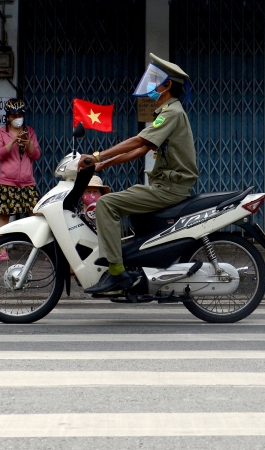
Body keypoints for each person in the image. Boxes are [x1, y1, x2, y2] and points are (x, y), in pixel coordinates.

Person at [79, 54, 197, 295]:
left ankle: (116, 272)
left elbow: (139, 140)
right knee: (128, 199)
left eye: (156, 81)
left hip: (169, 188)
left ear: (167, 86)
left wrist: (98, 156)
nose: (151, 86)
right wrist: (103, 165)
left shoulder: (171, 113)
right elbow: (143, 148)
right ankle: (134, 263)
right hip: (163, 186)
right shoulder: (167, 112)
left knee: (107, 204)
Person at [0, 98, 42, 250]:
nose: (16, 118)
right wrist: (13, 141)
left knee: (35, 214)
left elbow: (36, 155)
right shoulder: (1, 133)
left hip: (27, 181)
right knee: (4, 215)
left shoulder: (30, 132)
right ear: (8, 116)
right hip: (7, 180)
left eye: (19, 115)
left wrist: (28, 144)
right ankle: (2, 249)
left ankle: (42, 247)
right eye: (13, 115)